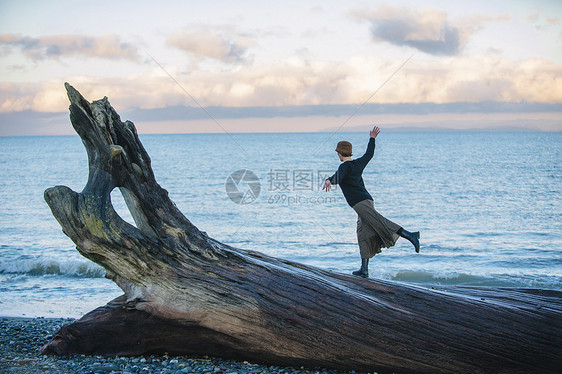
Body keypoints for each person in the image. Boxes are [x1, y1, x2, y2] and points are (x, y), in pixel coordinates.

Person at [322, 126, 420, 278]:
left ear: (339, 153)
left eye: (338, 153)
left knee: (381, 222)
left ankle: (410, 235)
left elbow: (338, 176)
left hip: (361, 203)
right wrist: (372, 139)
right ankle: (364, 269)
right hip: (366, 200)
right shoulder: (357, 164)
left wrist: (329, 180)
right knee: (363, 233)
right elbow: (369, 154)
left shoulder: (344, 166)